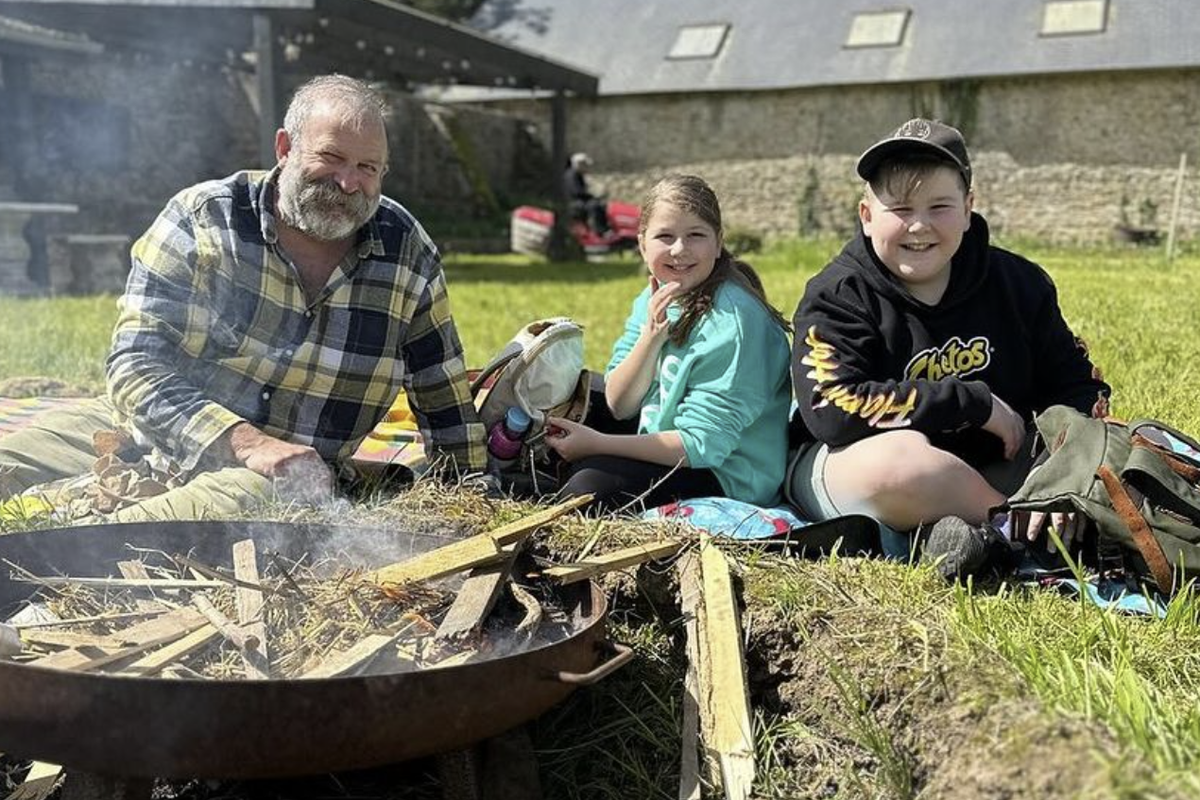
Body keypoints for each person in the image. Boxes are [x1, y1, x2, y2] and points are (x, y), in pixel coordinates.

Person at [0, 74, 487, 521]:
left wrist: (478, 500)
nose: (348, 183)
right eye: (332, 158)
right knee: (8, 466)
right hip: (146, 435)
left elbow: (442, 397)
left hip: (277, 481)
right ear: (284, 147)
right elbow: (135, 368)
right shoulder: (202, 219)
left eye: (368, 168)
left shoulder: (406, 250)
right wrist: (247, 442)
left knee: (104, 535)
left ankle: (45, 561)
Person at [788, 118, 1110, 578]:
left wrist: (1062, 474)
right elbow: (832, 413)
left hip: (991, 466)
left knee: (1114, 453)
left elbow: (1076, 386)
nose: (919, 225)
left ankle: (965, 540)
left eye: (939, 206)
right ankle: (1029, 537)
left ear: (968, 208)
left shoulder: (1020, 284)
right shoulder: (837, 294)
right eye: (899, 208)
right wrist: (972, 404)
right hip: (861, 469)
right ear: (865, 216)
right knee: (900, 463)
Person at [545, 174, 792, 512]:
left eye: (696, 236)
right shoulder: (657, 296)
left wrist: (598, 444)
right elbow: (621, 405)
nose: (679, 250)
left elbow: (701, 446)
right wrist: (650, 339)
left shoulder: (735, 323)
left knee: (586, 490)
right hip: (665, 431)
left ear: (718, 243)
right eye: (665, 236)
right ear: (642, 243)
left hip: (725, 474)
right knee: (568, 398)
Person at [562, 152, 609, 236]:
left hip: (577, 200)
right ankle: (600, 230)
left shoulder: (577, 175)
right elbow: (577, 192)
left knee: (599, 204)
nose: (587, 167)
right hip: (573, 202)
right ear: (579, 164)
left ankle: (604, 227)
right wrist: (593, 196)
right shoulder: (571, 175)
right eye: (585, 165)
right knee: (595, 205)